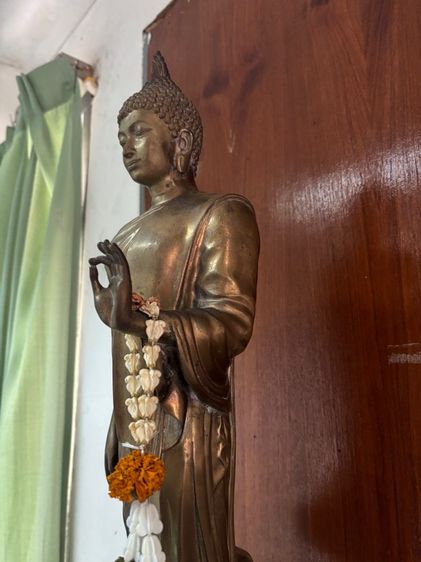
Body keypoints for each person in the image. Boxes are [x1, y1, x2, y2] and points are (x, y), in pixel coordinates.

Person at [89, 52, 259, 562]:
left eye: (139, 132)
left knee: (186, 547)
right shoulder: (126, 236)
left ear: (180, 142)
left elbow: (231, 323)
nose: (127, 146)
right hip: (134, 424)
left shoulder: (220, 214)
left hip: (187, 422)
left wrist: (144, 322)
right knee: (140, 543)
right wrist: (117, 319)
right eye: (121, 137)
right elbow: (126, 341)